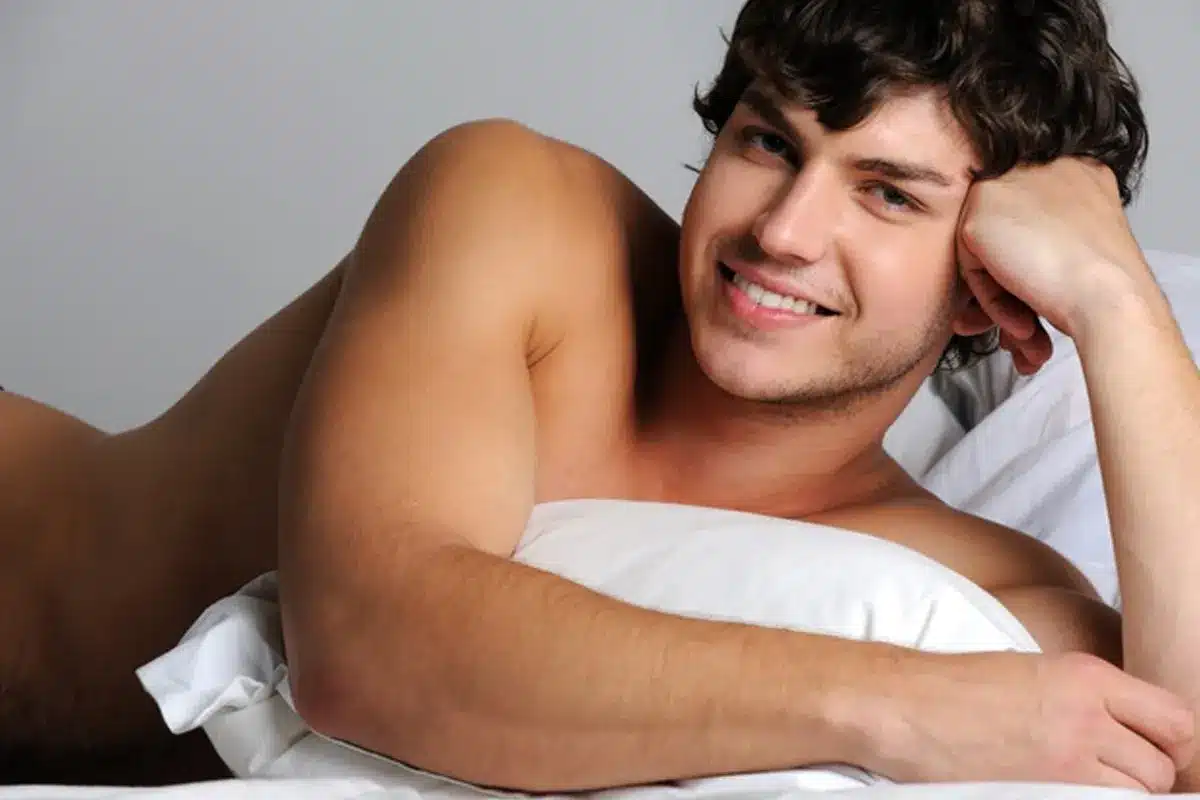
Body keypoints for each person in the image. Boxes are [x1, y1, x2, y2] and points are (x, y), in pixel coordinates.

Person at [4, 0, 1200, 792]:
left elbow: (1181, 747)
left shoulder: (973, 584)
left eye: (888, 194)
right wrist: (905, 708)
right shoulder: (516, 209)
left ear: (985, 286)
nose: (785, 231)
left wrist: (1119, 304)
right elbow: (367, 648)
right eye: (769, 142)